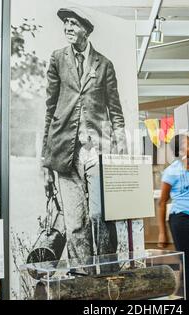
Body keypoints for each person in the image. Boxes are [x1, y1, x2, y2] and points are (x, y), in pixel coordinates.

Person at [42, 7, 127, 261]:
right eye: (65, 23)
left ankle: (108, 271)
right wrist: (45, 161)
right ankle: (81, 275)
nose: (67, 27)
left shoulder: (104, 65)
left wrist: (120, 147)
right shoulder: (57, 59)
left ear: (86, 30)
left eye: (73, 23)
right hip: (65, 150)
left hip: (97, 150)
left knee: (100, 214)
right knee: (74, 220)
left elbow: (116, 112)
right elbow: (49, 110)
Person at [157, 134, 189, 300]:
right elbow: (162, 202)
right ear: (182, 151)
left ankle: (181, 296)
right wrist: (162, 232)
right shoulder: (172, 172)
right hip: (181, 220)